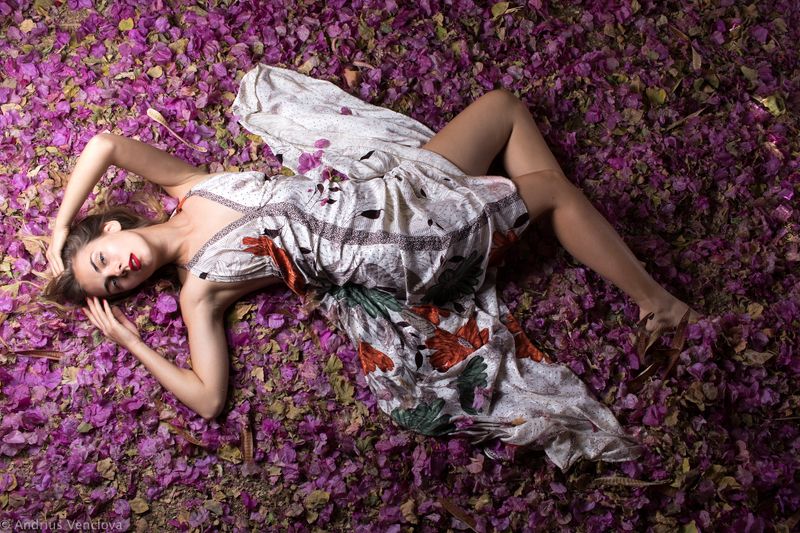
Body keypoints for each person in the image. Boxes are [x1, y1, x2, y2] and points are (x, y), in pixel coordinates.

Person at [43, 65, 698, 471]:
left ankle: (524, 209)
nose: (122, 269)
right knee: (551, 191)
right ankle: (655, 301)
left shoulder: (189, 184)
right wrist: (132, 342)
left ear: (112, 226)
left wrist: (56, 228)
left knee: (502, 106)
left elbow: (103, 142)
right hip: (392, 244)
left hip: (383, 192)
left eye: (105, 258)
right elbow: (210, 399)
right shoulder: (198, 288)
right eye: (116, 282)